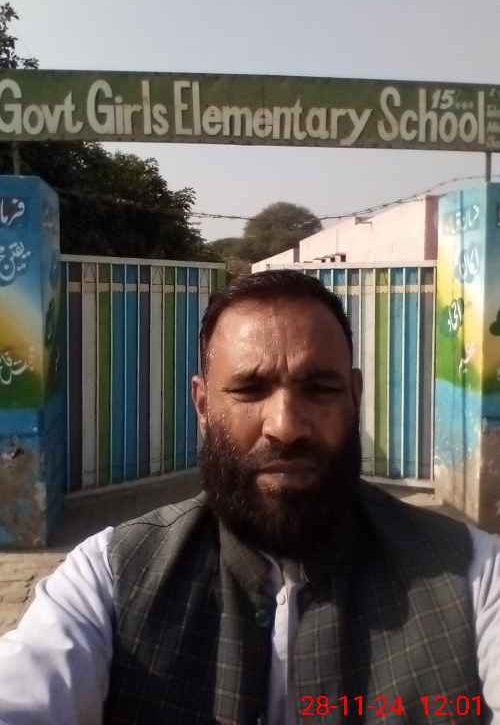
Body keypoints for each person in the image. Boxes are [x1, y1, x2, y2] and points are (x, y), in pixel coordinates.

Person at [1, 269, 500, 725]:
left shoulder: (473, 578)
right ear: (202, 405)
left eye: (319, 388)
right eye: (250, 389)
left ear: (355, 396)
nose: (285, 426)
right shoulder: (109, 579)